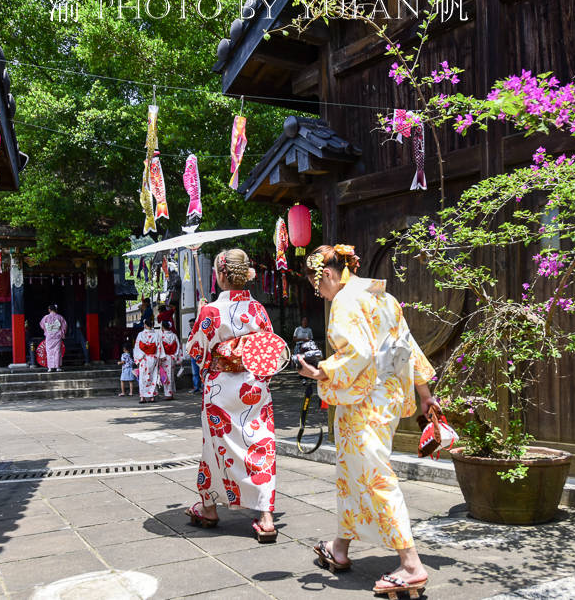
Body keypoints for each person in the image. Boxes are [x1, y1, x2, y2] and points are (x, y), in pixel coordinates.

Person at [296, 244, 441, 598]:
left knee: (375, 476)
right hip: (387, 398)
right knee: (352, 474)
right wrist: (424, 394)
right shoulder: (384, 298)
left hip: (363, 402)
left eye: (319, 288)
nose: (322, 295)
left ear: (327, 274)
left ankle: (410, 565)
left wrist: (320, 371)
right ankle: (339, 547)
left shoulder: (346, 300)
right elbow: (407, 347)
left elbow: (356, 354)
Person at [184, 248, 278, 542]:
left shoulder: (211, 311)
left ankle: (209, 507)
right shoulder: (258, 310)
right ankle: (265, 517)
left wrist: (204, 316)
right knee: (259, 443)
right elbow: (271, 350)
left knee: (214, 448)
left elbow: (196, 351)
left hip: (221, 388)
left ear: (221, 275)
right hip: (253, 385)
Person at [133, 317, 162, 403]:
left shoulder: (140, 335)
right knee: (153, 376)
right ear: (152, 325)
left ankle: (143, 397)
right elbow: (159, 347)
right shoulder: (156, 335)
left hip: (143, 359)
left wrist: (138, 359)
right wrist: (158, 357)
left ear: (145, 325)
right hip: (153, 358)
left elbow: (137, 347)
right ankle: (152, 396)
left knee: (143, 378)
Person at [39, 305, 67, 372]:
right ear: (56, 309)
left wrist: (48, 330)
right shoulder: (60, 317)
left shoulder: (46, 317)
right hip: (57, 336)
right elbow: (64, 326)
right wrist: (62, 332)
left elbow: (42, 325)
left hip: (49, 336)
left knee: (49, 351)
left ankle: (50, 368)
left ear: (49, 310)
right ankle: (57, 367)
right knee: (57, 351)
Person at [159, 320, 181, 400]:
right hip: (172, 357)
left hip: (164, 358)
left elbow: (160, 348)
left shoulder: (161, 336)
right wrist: (175, 355)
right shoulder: (174, 335)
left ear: (163, 327)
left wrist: (161, 357)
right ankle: (170, 393)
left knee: (166, 376)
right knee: (170, 375)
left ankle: (168, 394)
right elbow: (178, 346)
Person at [188, 318, 202, 394]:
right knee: (195, 373)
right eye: (190, 325)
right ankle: (196, 387)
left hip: (200, 354)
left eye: (192, 324)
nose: (191, 326)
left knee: (201, 371)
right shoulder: (190, 333)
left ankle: (203, 387)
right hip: (193, 354)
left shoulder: (200, 332)